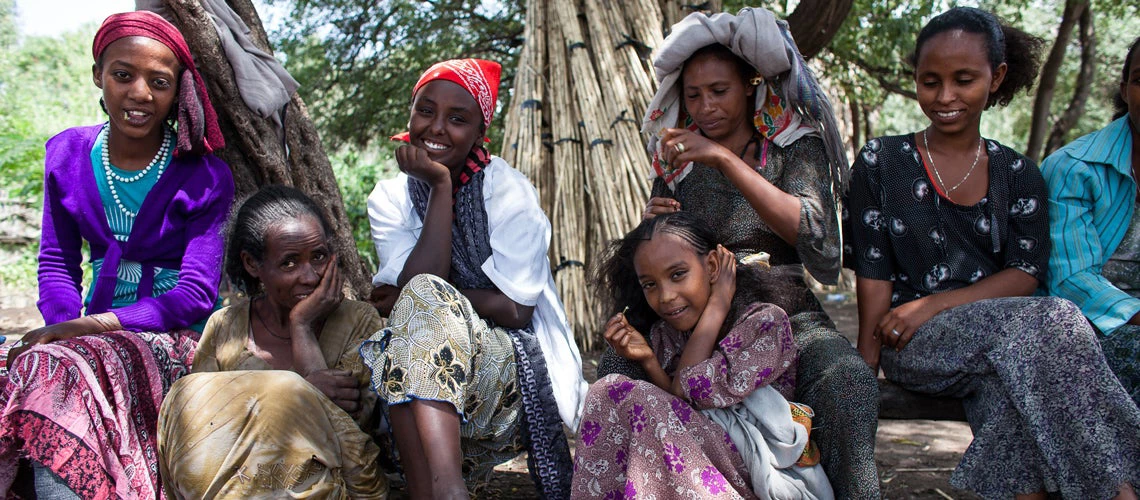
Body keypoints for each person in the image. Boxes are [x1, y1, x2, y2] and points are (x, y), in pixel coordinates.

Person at [846, 7, 1140, 499]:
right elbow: (873, 271)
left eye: (963, 80)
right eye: (929, 81)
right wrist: (864, 372)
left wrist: (935, 303)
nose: (945, 97)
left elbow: (1024, 274)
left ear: (996, 77)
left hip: (1002, 338)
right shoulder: (882, 161)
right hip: (917, 343)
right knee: (1056, 321)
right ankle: (1120, 491)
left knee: (1014, 410)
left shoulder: (1018, 172)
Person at [599, 8, 880, 498]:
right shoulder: (676, 158)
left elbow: (818, 239)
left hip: (784, 312)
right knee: (614, 372)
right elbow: (663, 256)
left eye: (719, 91)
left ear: (750, 84)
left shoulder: (794, 146)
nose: (705, 106)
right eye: (693, 95)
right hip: (690, 315)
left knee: (846, 383)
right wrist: (652, 224)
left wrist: (725, 160)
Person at [0, 11, 233, 498]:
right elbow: (56, 264)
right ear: (97, 76)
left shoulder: (206, 175)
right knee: (25, 359)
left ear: (177, 93)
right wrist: (61, 328)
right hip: (86, 329)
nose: (140, 93)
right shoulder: (66, 154)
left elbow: (193, 295)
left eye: (160, 82)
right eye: (123, 75)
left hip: (173, 336)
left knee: (60, 373)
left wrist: (86, 330)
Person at [361, 58, 587, 499]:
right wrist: (440, 189)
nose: (437, 128)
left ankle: (445, 489)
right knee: (403, 331)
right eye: (426, 111)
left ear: (481, 134)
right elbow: (410, 299)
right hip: (425, 364)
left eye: (457, 118)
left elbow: (516, 310)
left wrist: (440, 187)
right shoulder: (389, 198)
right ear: (409, 115)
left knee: (421, 302)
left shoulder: (507, 190)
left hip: (507, 369)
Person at [573, 212, 833, 499]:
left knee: (635, 396)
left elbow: (688, 389)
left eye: (677, 275)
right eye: (650, 285)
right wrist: (648, 359)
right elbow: (676, 409)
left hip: (754, 467)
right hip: (692, 460)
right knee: (604, 391)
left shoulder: (764, 324)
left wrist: (719, 302)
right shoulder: (666, 335)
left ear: (711, 266)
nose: (666, 295)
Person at [156, 185, 388, 498]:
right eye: (289, 263)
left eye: (318, 257)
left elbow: (345, 429)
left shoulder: (358, 321)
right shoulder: (225, 327)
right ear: (253, 264)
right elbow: (204, 430)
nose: (309, 277)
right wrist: (303, 389)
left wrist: (301, 325)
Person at [1041, 36, 1140, 406]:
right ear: (1125, 90)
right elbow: (1071, 279)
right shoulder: (1075, 167)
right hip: (1090, 326)